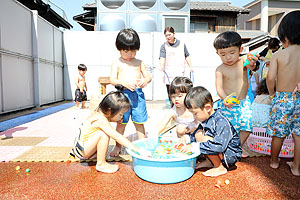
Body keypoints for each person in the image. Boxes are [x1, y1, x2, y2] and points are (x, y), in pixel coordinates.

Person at [70, 91, 150, 173]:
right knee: (103, 135)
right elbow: (117, 136)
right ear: (109, 111)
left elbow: (106, 121)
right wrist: (137, 149)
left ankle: (94, 156)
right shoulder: (100, 120)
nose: (122, 117)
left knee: (102, 133)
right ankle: (101, 164)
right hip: (82, 151)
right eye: (120, 114)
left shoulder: (99, 114)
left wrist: (115, 120)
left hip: (82, 148)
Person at [176, 86, 242, 177]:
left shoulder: (221, 122)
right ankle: (210, 162)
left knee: (202, 137)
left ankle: (219, 167)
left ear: (207, 108)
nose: (194, 117)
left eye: (195, 113)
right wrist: (185, 139)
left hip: (229, 155)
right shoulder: (206, 119)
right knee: (198, 133)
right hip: (219, 151)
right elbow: (194, 135)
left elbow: (219, 146)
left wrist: (195, 146)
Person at [266, 10, 300, 176]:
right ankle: (296, 166)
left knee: (278, 133)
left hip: (282, 98)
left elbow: (270, 78)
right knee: (298, 134)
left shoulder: (279, 55)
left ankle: (273, 161)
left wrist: (272, 94)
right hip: (299, 98)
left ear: (285, 36)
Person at [110, 28, 152, 157]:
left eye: (133, 51)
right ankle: (118, 147)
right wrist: (124, 84)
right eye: (126, 51)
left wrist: (145, 81)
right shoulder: (117, 63)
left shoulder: (139, 62)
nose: (129, 54)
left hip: (137, 96)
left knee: (139, 123)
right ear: (119, 48)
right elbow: (113, 79)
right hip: (123, 96)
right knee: (121, 123)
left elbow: (148, 76)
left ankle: (142, 146)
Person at [214, 31, 257, 148]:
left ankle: (236, 148)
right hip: (229, 105)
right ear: (217, 53)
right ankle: (229, 149)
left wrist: (252, 61)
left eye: (232, 52)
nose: (228, 57)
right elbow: (219, 88)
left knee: (247, 128)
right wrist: (225, 98)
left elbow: (251, 65)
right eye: (223, 54)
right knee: (228, 129)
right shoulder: (220, 69)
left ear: (240, 49)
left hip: (244, 103)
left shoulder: (242, 61)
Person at [159, 27, 193, 98]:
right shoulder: (164, 46)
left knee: (180, 91)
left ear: (174, 34)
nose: (168, 37)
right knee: (170, 92)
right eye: (166, 35)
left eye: (169, 35)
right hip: (168, 73)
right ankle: (172, 105)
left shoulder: (182, 44)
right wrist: (161, 66)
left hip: (179, 71)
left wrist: (190, 66)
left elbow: (187, 56)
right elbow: (162, 57)